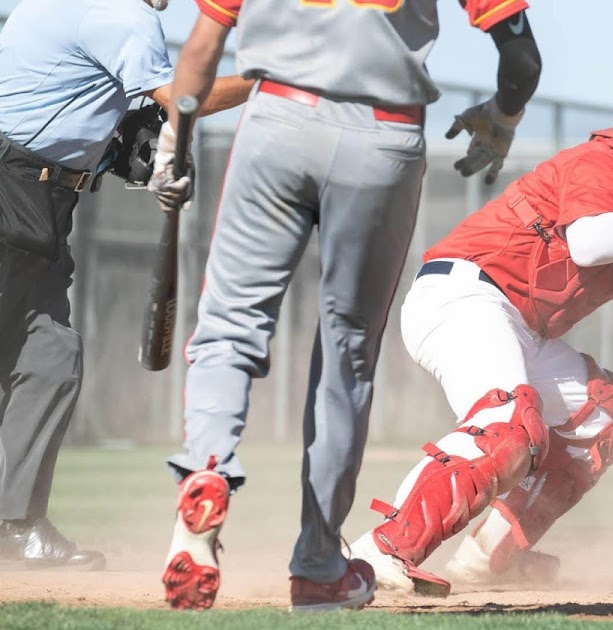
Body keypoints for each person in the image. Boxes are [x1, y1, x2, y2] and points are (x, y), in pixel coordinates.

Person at [152, 0, 544, 612]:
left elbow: (202, 50)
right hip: (384, 135)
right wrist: (501, 115)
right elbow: (521, 59)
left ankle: (207, 471)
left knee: (231, 326)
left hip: (277, 117)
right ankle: (316, 565)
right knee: (347, 357)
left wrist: (174, 139)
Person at [344, 76, 613, 596]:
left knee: (606, 411)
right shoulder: (604, 163)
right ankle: (381, 549)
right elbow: (586, 243)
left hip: (513, 322)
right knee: (508, 424)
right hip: (465, 297)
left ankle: (489, 557)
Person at [0, 0, 250, 572]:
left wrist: (112, 143)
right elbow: (184, 101)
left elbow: (57, 94)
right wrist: (274, 84)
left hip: (38, 199)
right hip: (13, 188)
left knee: (51, 358)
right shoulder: (121, 13)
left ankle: (15, 525)